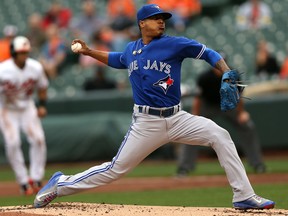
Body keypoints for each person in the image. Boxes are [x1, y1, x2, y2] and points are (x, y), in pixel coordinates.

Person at [34, 4, 275, 210]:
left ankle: (243, 195)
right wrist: (88, 51)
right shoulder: (131, 49)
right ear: (142, 23)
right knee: (115, 169)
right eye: (156, 19)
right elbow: (116, 59)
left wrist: (225, 72)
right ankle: (61, 184)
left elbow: (208, 53)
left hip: (178, 117)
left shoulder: (175, 44)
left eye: (164, 19)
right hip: (147, 123)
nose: (162, 22)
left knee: (220, 135)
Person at [177, 53, 266, 177]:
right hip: (208, 106)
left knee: (247, 126)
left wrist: (241, 113)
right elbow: (198, 99)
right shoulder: (205, 77)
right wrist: (196, 115)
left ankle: (257, 163)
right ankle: (184, 167)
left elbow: (238, 97)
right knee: (190, 131)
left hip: (228, 105)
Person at [0, 36, 49, 195]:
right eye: (21, 52)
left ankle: (36, 178)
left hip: (27, 106)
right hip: (7, 108)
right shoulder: (3, 69)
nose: (24, 55)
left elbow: (42, 87)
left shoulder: (35, 67)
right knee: (13, 143)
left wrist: (42, 105)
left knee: (38, 139)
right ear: (14, 52)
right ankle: (23, 181)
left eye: (26, 52)